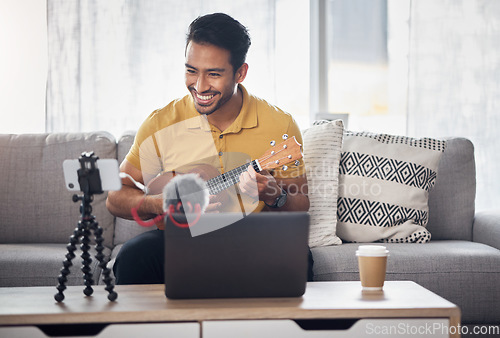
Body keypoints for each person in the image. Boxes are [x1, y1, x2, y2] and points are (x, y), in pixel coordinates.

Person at [106, 13, 313, 284]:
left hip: (253, 238)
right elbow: (114, 197)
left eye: (213, 74)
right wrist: (161, 203)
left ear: (241, 72)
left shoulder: (279, 124)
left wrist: (276, 196)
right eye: (192, 71)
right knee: (134, 255)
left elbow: (302, 204)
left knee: (298, 254)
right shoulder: (161, 123)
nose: (200, 86)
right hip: (181, 238)